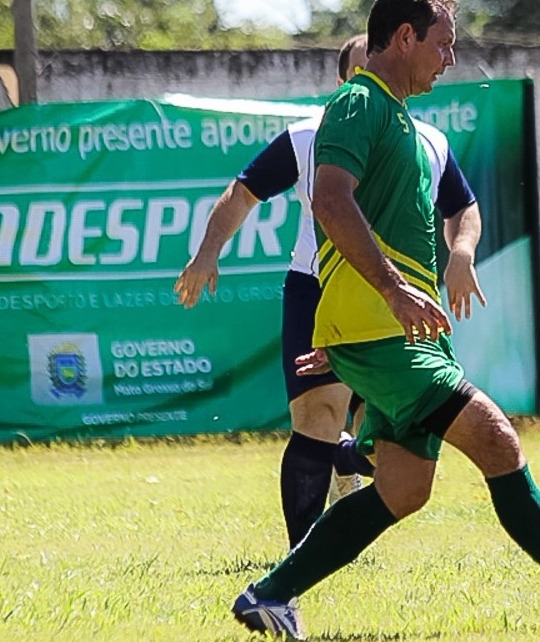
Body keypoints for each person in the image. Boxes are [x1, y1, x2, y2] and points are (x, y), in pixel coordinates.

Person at [231, 0, 540, 640]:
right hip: (385, 332)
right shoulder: (359, 103)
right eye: (442, 44)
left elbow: (432, 216)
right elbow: (331, 205)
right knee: (497, 439)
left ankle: (269, 595)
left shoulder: (404, 123)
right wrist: (385, 295)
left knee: (404, 488)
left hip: (391, 335)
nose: (449, 60)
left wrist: (377, 313)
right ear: (404, 37)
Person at [174, 34, 486, 549]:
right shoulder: (308, 136)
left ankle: (346, 458)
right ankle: (300, 556)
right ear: (343, 84)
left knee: (390, 439)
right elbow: (244, 191)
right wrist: (207, 251)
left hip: (401, 300)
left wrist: (462, 254)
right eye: (361, 72)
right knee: (317, 417)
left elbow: (462, 207)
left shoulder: (428, 139)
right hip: (318, 292)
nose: (374, 82)